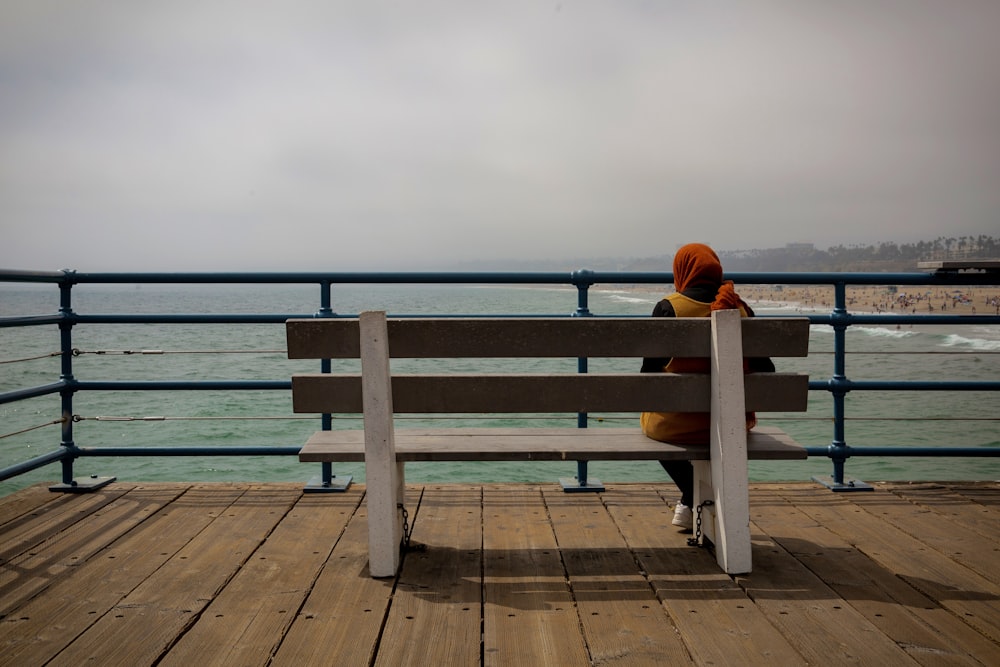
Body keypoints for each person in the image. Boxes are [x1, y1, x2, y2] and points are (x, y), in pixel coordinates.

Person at [640, 243, 774, 531]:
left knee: (651, 425)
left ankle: (692, 496)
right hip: (730, 424)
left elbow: (648, 376)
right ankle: (694, 500)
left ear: (682, 271)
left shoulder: (669, 308)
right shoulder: (739, 309)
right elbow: (767, 370)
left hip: (675, 426)